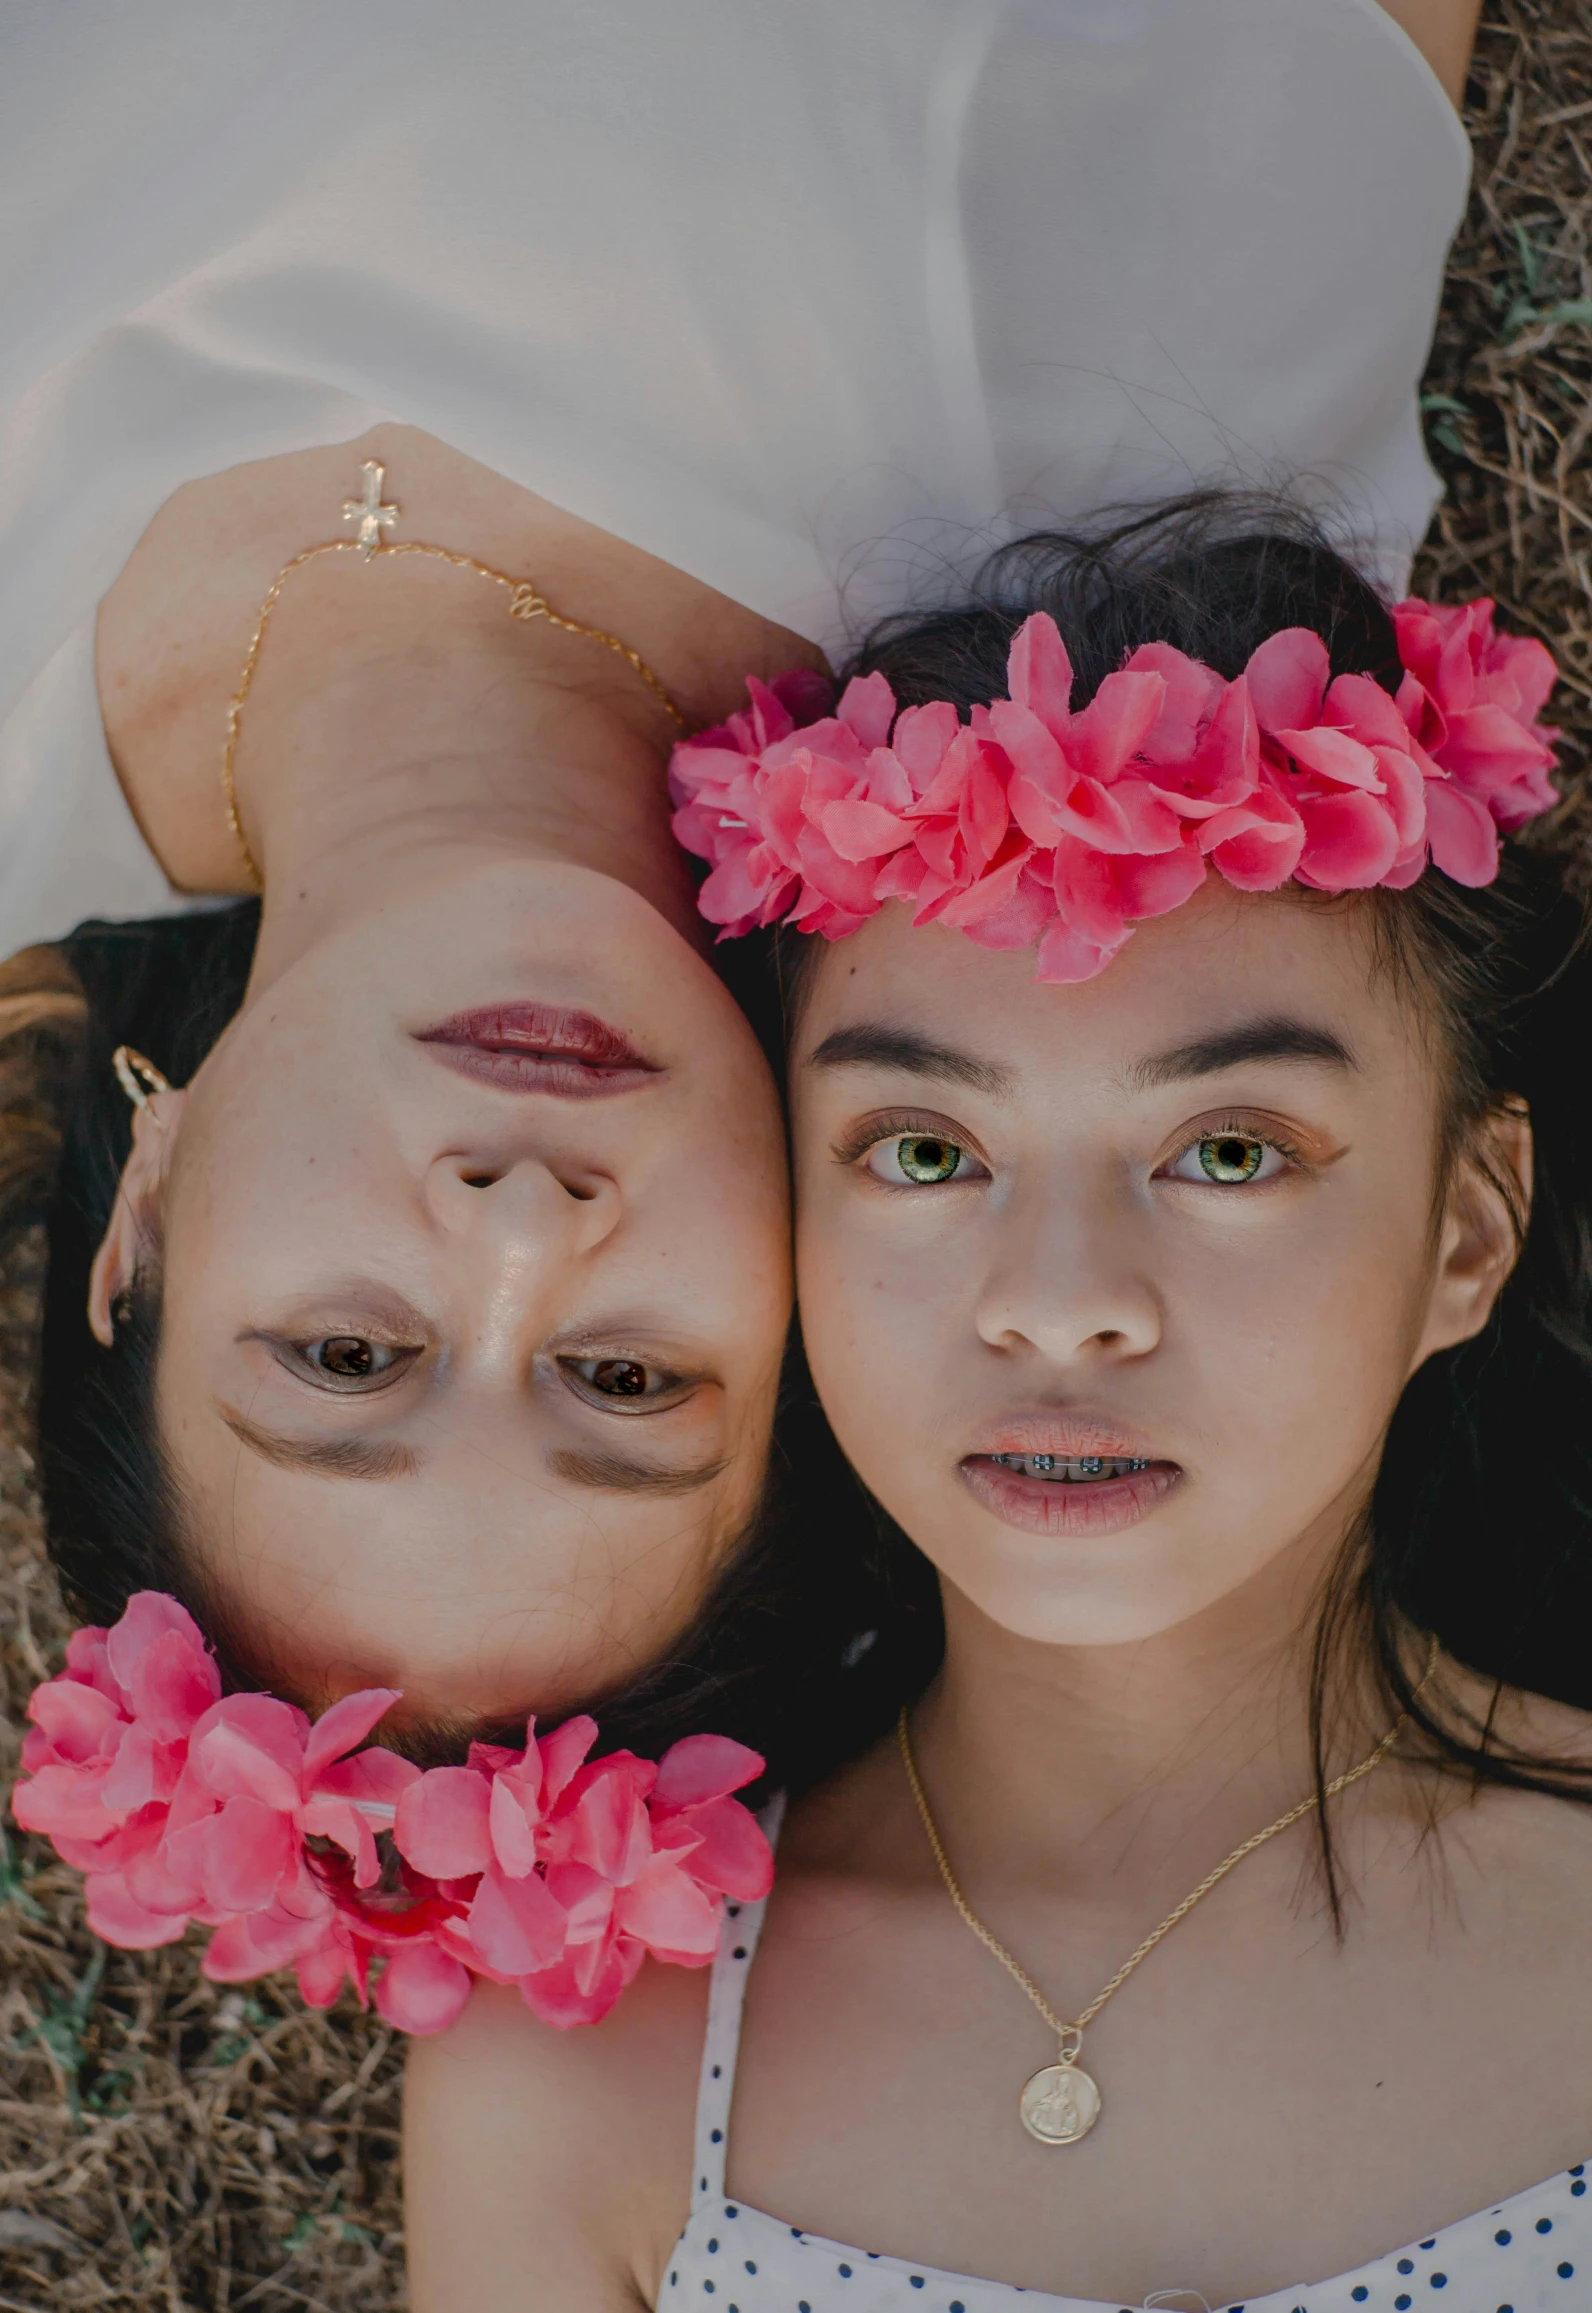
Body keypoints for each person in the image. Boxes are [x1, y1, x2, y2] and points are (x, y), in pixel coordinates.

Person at [0, 0, 1478, 1742]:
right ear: (800, 1316)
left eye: (348, 1354)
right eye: (627, 1379)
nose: (523, 1228)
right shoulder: (1113, 597)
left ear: (143, 1219)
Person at [403, 491, 1592, 2308]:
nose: (1062, 1306)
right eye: (928, 1148)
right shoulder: (579, 2051)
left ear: (1468, 1229)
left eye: (1230, 1149)